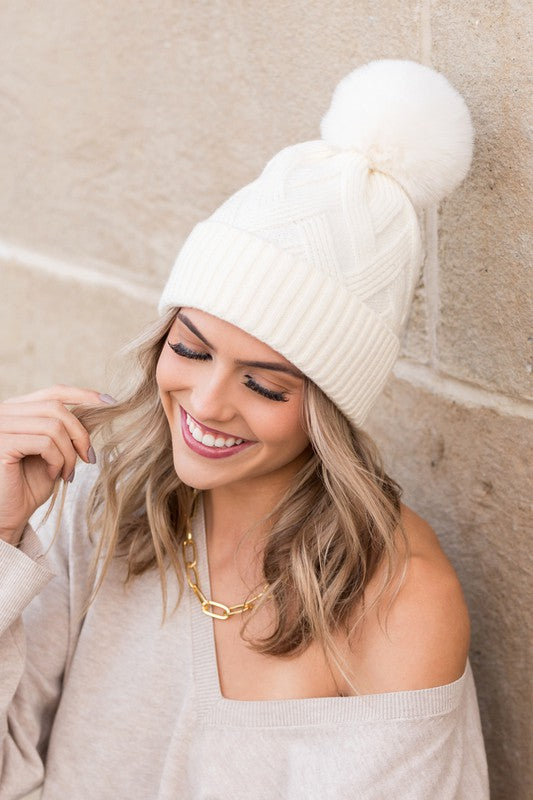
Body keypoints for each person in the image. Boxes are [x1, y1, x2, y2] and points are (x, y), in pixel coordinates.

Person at [0, 59, 490, 799]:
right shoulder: (95, 498)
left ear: (328, 408)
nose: (206, 400)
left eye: (264, 384)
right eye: (189, 348)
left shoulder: (397, 596)